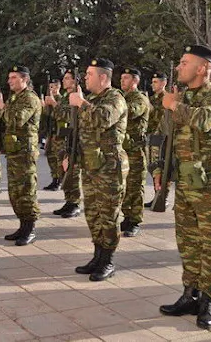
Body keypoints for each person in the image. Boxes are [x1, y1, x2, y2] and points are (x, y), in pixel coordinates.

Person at [158, 45, 211, 330]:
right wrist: (159, 170)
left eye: (184, 62)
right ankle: (190, 295)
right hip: (186, 184)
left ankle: (209, 300)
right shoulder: (182, 97)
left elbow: (203, 121)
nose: (179, 67)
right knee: (187, 244)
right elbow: (165, 136)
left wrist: (174, 105)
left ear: (203, 68)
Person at [69, 58, 128, 282]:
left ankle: (108, 260)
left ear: (103, 77)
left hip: (109, 168)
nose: (85, 78)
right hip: (91, 166)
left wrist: (81, 103)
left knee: (108, 215)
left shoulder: (115, 98)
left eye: (89, 74)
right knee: (93, 214)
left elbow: (102, 119)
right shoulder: (92, 98)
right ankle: (97, 256)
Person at [0, 66, 41, 246]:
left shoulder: (30, 98)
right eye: (9, 77)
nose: (9, 81)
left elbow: (18, 119)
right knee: (15, 192)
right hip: (14, 152)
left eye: (13, 77)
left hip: (25, 153)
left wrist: (2, 107)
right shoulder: (15, 97)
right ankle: (22, 225)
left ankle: (30, 227)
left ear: (24, 80)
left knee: (26, 190)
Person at [120, 68, 150, 237]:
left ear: (135, 81)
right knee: (124, 187)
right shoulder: (122, 97)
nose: (122, 81)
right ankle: (127, 217)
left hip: (135, 151)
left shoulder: (140, 99)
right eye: (122, 78)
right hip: (123, 150)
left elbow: (129, 112)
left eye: (126, 78)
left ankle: (135, 220)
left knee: (135, 187)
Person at [50, 69, 82, 218]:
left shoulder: (76, 97)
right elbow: (56, 115)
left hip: (73, 139)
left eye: (68, 78)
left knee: (72, 171)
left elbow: (68, 115)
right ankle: (68, 200)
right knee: (63, 170)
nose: (64, 80)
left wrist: (54, 105)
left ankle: (75, 203)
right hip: (62, 139)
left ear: (75, 81)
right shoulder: (65, 97)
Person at [145, 72, 168, 208]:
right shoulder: (152, 99)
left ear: (163, 83)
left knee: (162, 167)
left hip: (162, 137)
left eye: (156, 82)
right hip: (151, 137)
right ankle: (156, 195)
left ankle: (162, 197)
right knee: (153, 167)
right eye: (152, 82)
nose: (153, 84)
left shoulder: (167, 99)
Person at [43, 77, 63, 191]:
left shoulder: (60, 99)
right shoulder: (48, 101)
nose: (52, 89)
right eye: (50, 87)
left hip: (58, 133)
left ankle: (60, 180)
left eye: (53, 87)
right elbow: (45, 117)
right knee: (50, 157)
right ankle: (54, 179)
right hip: (50, 133)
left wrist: (52, 103)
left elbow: (61, 115)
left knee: (58, 158)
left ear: (58, 87)